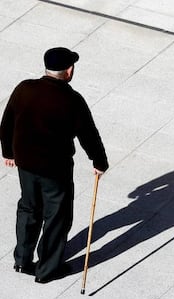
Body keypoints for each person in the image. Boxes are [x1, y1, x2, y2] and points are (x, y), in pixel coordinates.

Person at [0, 47, 109, 283]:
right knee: (56, 216)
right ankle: (48, 269)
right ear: (69, 71)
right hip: (54, 170)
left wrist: (8, 151)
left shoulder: (24, 88)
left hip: (26, 165)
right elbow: (89, 135)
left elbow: (7, 121)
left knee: (28, 208)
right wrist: (99, 162)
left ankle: (22, 260)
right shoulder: (72, 100)